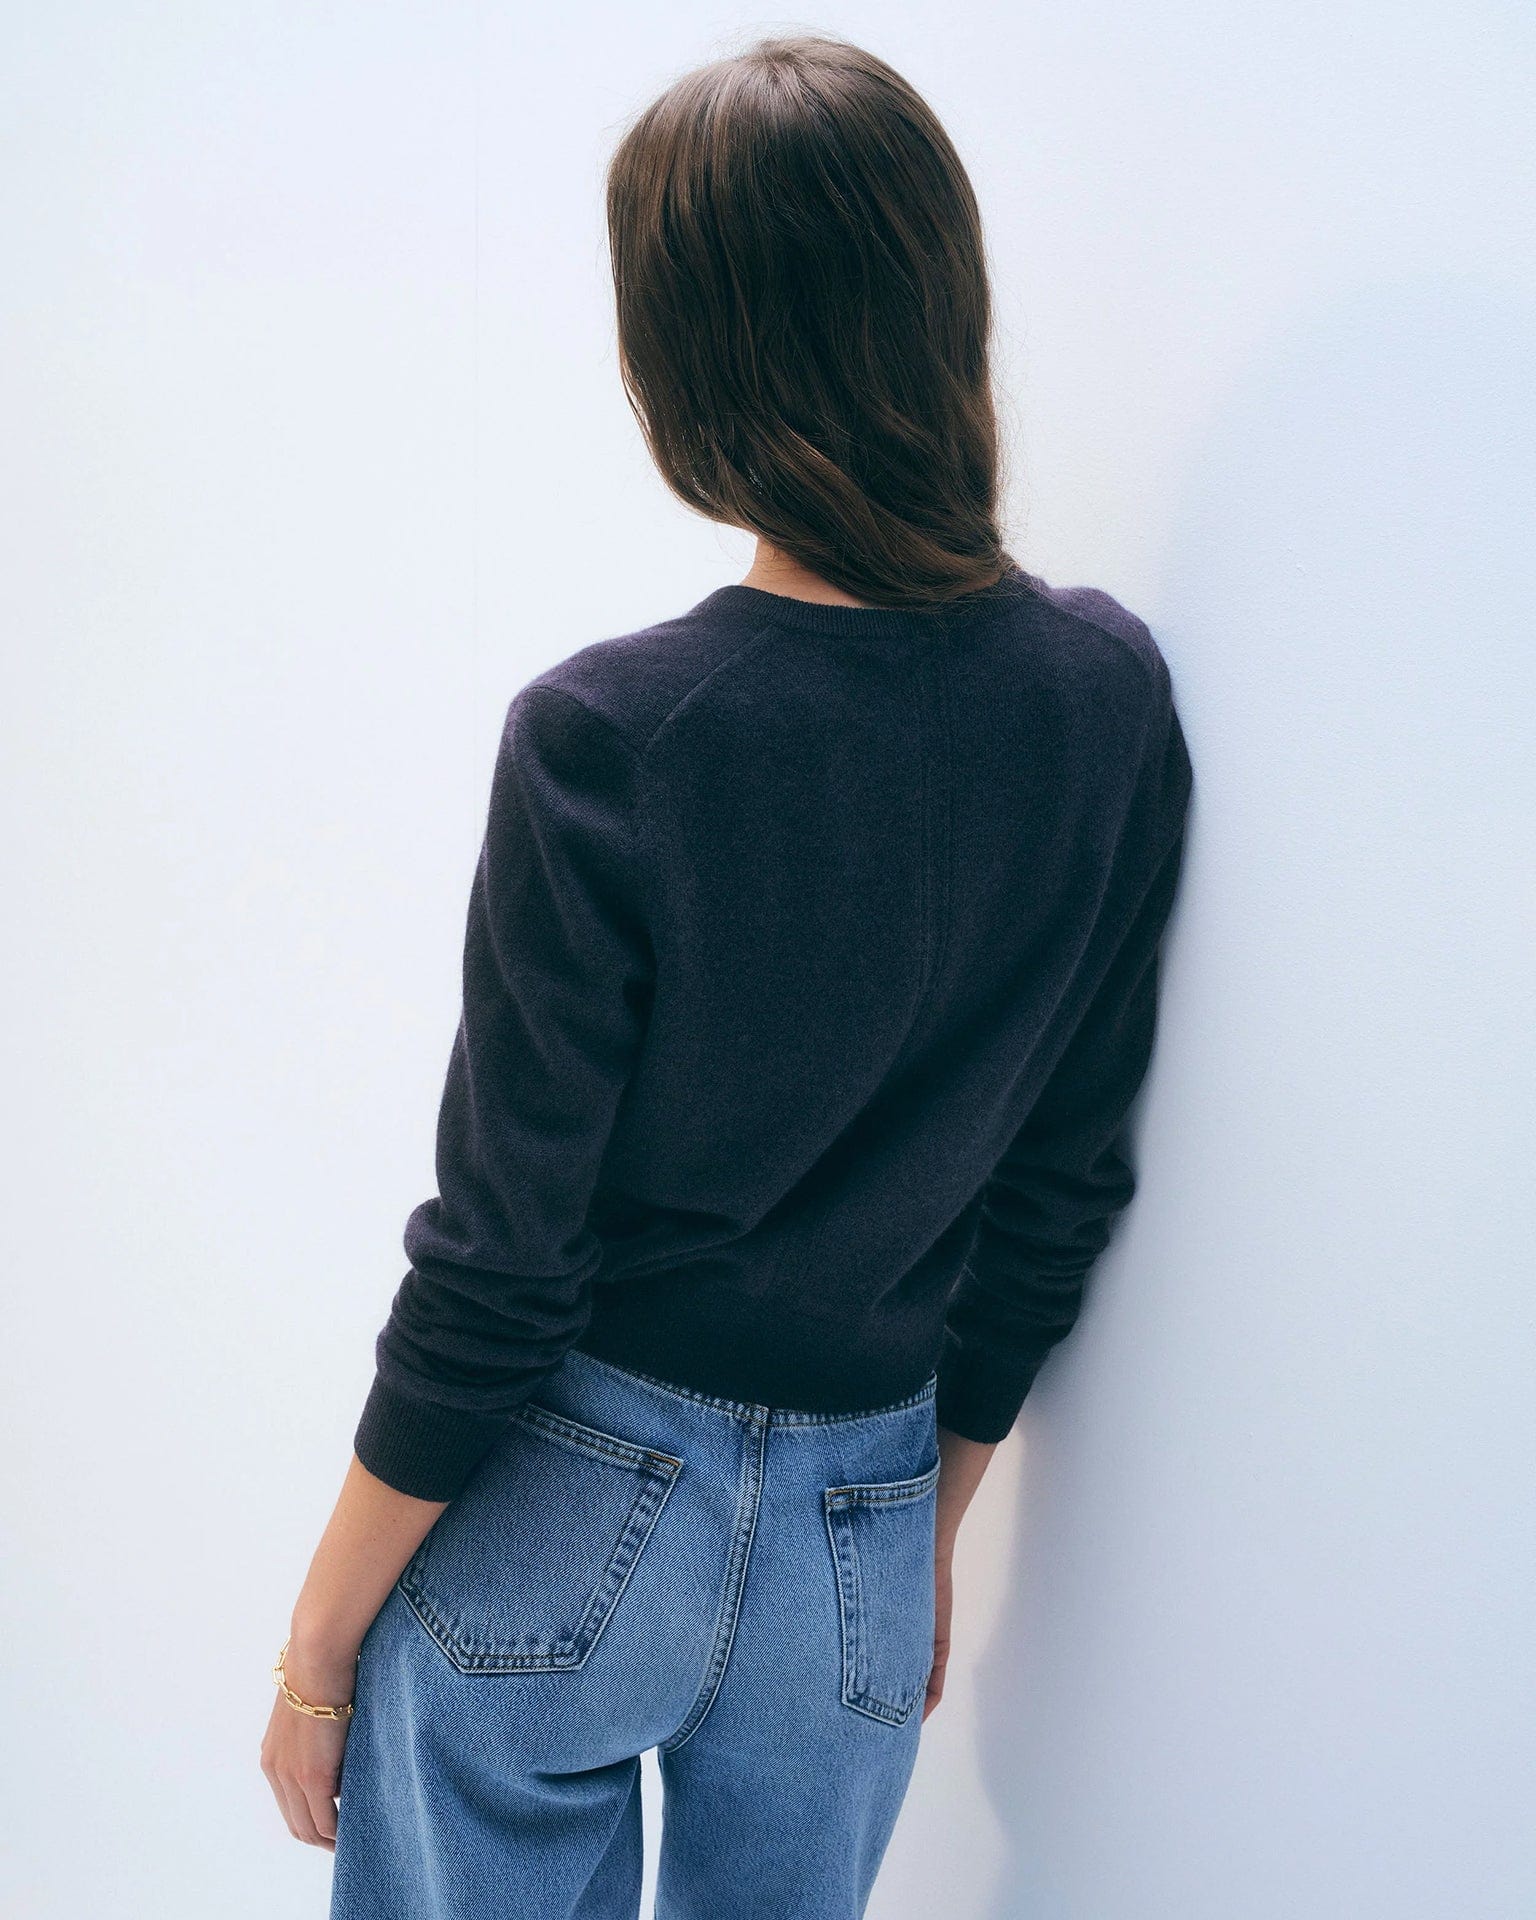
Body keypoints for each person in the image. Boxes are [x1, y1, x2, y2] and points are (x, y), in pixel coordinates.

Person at [260, 32, 1193, 1920]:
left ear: (676, 366)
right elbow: (1063, 1184)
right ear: (944, 303)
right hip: (864, 1507)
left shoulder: (613, 737)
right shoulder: (1105, 707)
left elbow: (501, 1265)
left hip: (570, 1499)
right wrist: (912, 1527)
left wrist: (317, 1642)